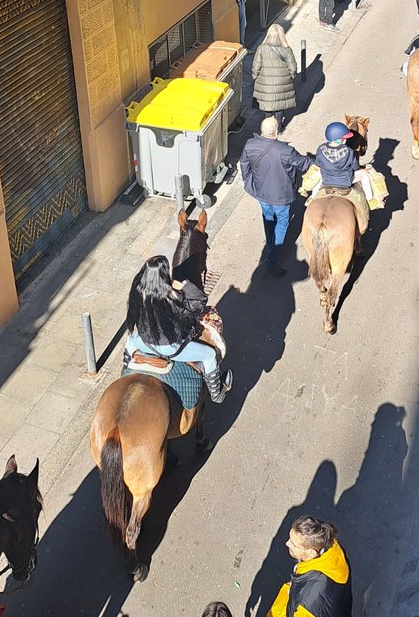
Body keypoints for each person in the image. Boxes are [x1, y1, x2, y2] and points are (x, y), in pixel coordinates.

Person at [124, 255, 232, 402]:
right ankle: (217, 394)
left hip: (143, 343)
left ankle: (125, 372)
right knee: (209, 355)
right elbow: (199, 303)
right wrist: (183, 286)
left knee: (130, 341)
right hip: (170, 349)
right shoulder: (172, 297)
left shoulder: (137, 292)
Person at [240, 117, 313, 275]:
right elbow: (305, 164)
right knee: (282, 223)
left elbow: (244, 165)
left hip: (260, 192)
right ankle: (273, 259)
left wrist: (249, 182)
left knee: (268, 217)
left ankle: (270, 244)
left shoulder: (250, 145)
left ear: (261, 130)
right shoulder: (285, 151)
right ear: (277, 131)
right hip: (281, 196)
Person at [266, 515, 353, 617]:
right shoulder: (333, 549)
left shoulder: (306, 605)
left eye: (294, 544)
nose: (287, 543)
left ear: (312, 553)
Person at [251, 23, 298, 131]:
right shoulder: (287, 49)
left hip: (266, 83)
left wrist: (255, 76)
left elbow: (256, 65)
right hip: (283, 82)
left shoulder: (261, 48)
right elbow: (293, 68)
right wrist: (291, 77)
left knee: (268, 106)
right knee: (279, 107)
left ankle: (267, 130)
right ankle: (279, 128)